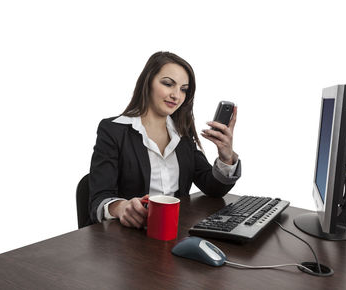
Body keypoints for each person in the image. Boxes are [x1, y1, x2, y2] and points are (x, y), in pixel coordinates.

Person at [88, 51, 241, 228]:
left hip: (174, 231)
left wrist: (226, 156)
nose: (176, 95)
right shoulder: (113, 130)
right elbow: (98, 199)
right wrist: (121, 207)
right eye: (168, 84)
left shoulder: (182, 134)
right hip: (128, 237)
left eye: (183, 89)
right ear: (148, 82)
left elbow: (214, 189)